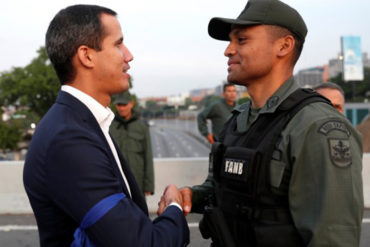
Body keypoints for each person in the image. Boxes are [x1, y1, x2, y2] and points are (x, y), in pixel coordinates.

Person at [179, 0, 363, 246]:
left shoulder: (316, 127)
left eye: (241, 40)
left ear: (284, 46)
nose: (228, 50)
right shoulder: (238, 119)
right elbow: (225, 191)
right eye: (230, 41)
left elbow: (333, 238)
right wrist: (190, 195)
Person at [23, 5, 189, 247]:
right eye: (118, 44)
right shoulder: (69, 139)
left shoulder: (81, 122)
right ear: (86, 56)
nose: (129, 55)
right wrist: (174, 207)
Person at [110, 91, 154, 196]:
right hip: (115, 181)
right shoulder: (110, 126)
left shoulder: (142, 127)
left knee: (138, 211)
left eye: (124, 105)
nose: (121, 108)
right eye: (119, 105)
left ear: (131, 104)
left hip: (137, 181)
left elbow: (148, 156)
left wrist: (149, 186)